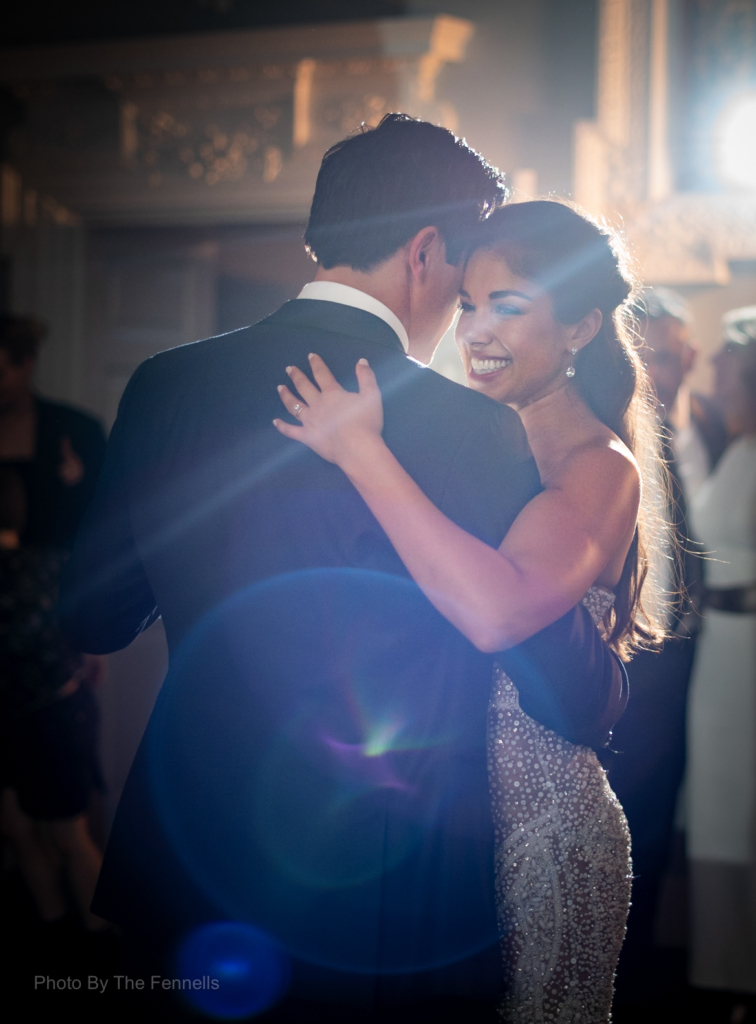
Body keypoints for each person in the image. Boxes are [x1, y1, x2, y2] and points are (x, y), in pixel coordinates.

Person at [60, 116, 626, 1021]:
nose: (465, 308)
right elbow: (553, 679)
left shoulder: (166, 383)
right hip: (385, 879)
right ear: (427, 249)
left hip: (191, 844)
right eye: (465, 272)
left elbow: (93, 616)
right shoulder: (472, 427)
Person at [273, 199, 667, 1022]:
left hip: (539, 827)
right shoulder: (465, 442)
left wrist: (360, 450)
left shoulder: (601, 465)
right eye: (469, 305)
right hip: (435, 826)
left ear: (580, 327)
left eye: (509, 308)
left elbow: (497, 616)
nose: (476, 331)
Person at [609, 288, 727, 1012]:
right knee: (634, 811)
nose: (670, 365)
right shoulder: (611, 427)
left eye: (680, 351)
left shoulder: (714, 425)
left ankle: (662, 963)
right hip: (633, 657)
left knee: (684, 810)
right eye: (654, 351)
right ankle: (626, 965)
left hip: (701, 657)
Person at [685, 307, 756, 1012]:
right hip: (718, 658)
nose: (719, 384)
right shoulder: (731, 448)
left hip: (751, 648)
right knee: (716, 803)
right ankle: (723, 971)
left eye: (730, 373)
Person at [0, 466, 106, 933]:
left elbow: (87, 650)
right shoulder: (53, 567)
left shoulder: (47, 567)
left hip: (49, 718)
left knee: (65, 834)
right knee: (18, 826)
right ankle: (58, 933)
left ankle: (104, 947)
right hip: (52, 714)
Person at [0, 315, 107, 551]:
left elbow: (108, 511)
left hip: (50, 574)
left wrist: (80, 482)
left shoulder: (76, 429)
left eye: (1, 375)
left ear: (27, 364)